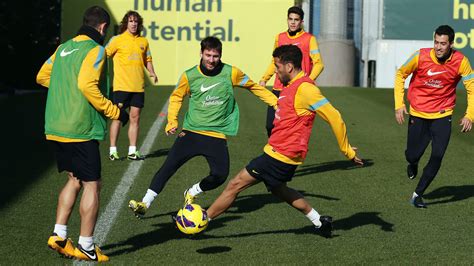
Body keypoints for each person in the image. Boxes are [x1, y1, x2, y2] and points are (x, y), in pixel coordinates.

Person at [201, 45, 363, 238]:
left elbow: (334, 116)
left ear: (289, 66)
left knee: (235, 184)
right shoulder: (291, 86)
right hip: (281, 152)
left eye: (277, 67)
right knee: (280, 190)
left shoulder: (306, 89)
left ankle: (200, 221)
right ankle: (319, 222)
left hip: (280, 154)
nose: (275, 72)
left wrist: (346, 150)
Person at [128, 36, 278, 218]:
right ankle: (145, 202)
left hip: (216, 135)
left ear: (220, 55)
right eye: (208, 55)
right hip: (191, 132)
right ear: (201, 53)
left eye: (215, 56)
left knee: (220, 175)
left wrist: (276, 103)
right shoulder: (189, 75)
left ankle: (192, 191)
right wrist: (172, 121)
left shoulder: (231, 73)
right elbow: (176, 97)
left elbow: (254, 87)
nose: (211, 60)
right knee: (169, 166)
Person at [36, 6, 128, 262]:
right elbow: (87, 85)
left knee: (74, 179)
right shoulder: (95, 49)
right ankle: (87, 246)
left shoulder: (64, 47)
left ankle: (59, 234)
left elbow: (42, 76)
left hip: (56, 125)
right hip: (80, 127)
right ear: (102, 27)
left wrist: (64, 88)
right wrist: (114, 112)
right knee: (92, 183)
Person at [394, 25, 473, 208]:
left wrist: (470, 115)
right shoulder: (420, 56)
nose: (438, 47)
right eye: (436, 42)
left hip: (442, 115)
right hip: (418, 114)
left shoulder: (461, 61)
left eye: (443, 44)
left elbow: (472, 89)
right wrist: (399, 104)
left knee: (437, 155)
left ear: (451, 44)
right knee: (412, 155)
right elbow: (400, 75)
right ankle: (412, 163)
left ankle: (417, 194)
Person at [259, 6, 324, 137]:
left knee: (292, 128)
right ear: (287, 20)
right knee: (270, 125)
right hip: (279, 88)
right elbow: (274, 62)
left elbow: (319, 64)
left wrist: (308, 81)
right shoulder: (280, 38)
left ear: (301, 22)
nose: (293, 22)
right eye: (290, 19)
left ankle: (285, 153)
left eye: (296, 20)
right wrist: (264, 78)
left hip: (297, 90)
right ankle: (275, 150)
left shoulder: (309, 39)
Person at [106, 10, 158, 161]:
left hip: (138, 88)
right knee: (117, 118)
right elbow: (104, 55)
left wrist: (152, 72)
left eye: (136, 21)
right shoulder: (117, 40)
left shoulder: (143, 41)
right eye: (131, 21)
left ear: (139, 24)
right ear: (125, 23)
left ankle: (132, 150)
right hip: (121, 87)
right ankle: (113, 150)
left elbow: (147, 59)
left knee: (135, 118)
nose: (134, 24)